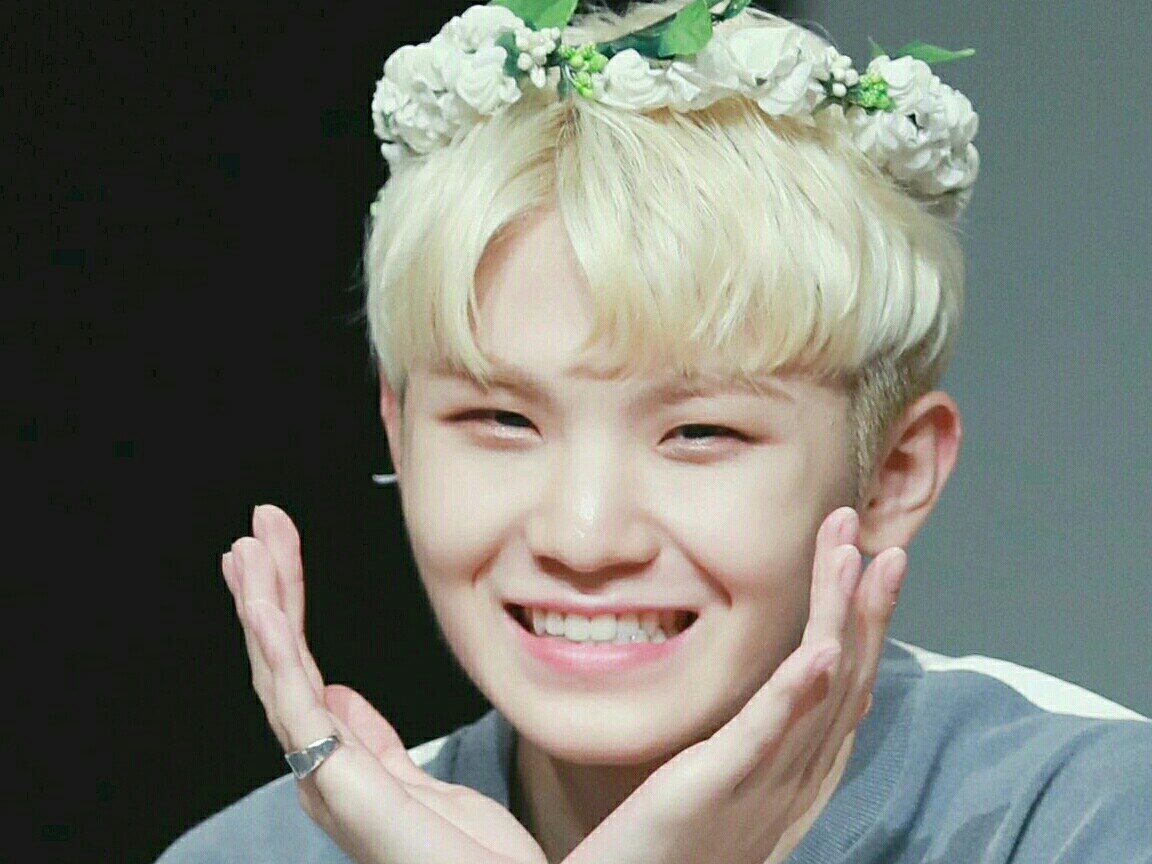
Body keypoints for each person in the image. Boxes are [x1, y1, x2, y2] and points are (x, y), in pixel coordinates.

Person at [158, 1, 1152, 861]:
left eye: (699, 433)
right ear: (400, 432)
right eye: (501, 419)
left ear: (893, 473)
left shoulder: (1078, 820)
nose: (585, 538)